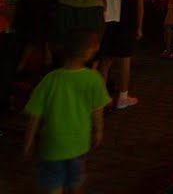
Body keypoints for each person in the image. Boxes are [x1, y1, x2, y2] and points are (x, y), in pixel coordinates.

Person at [23, 28, 110, 194]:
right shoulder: (93, 78)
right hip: (79, 142)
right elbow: (97, 110)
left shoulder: (50, 79)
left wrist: (28, 141)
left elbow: (35, 114)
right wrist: (98, 131)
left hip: (52, 144)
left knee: (52, 182)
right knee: (76, 180)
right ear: (87, 52)